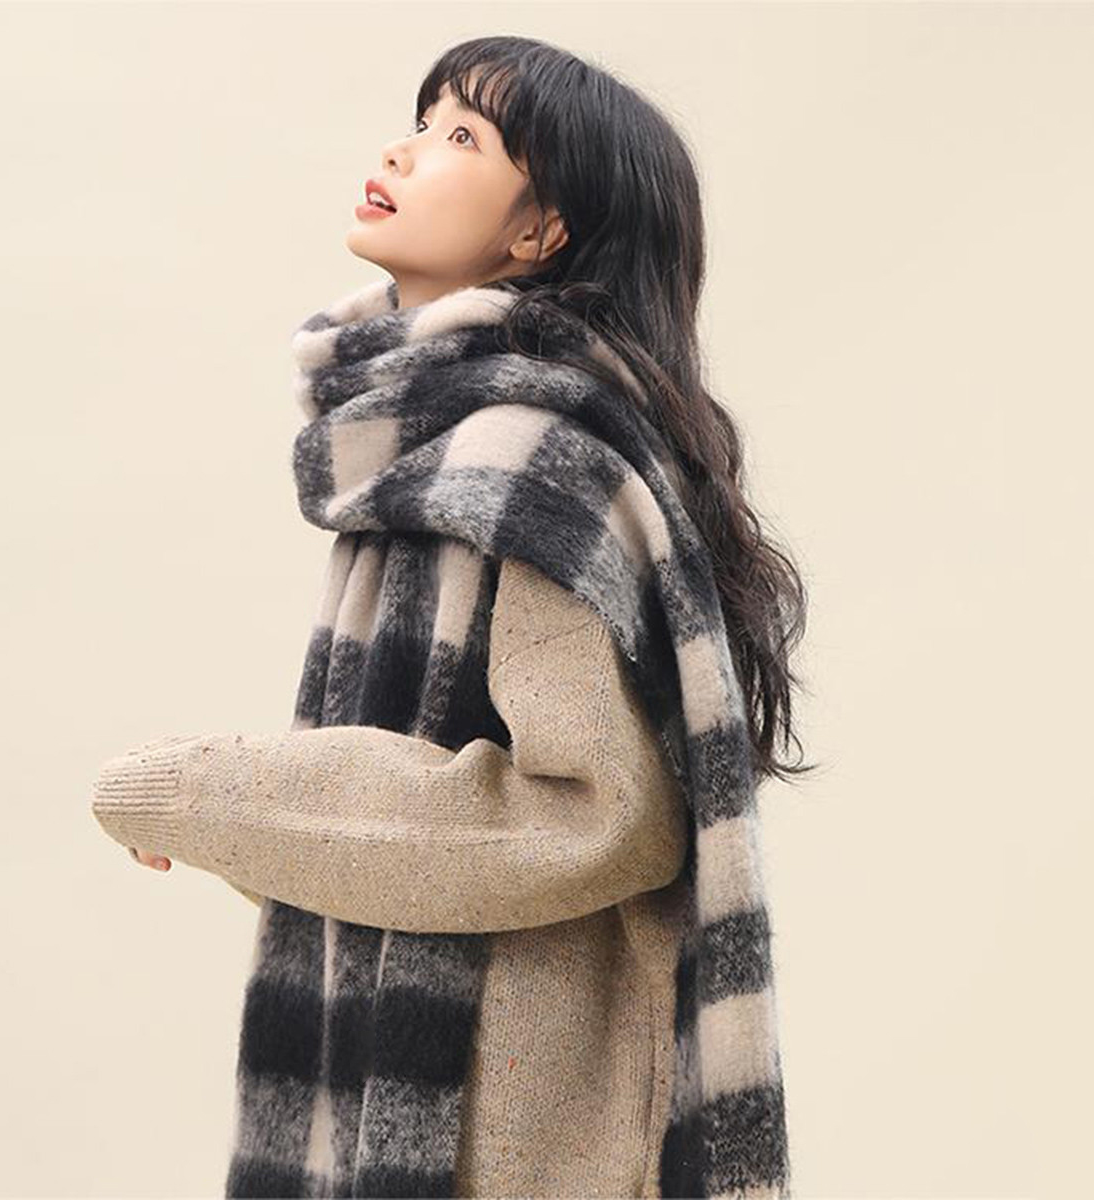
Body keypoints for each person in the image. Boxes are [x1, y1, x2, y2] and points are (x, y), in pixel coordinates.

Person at [96, 34, 815, 1200]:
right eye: (420, 122)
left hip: (502, 1139)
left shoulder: (525, 458)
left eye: (461, 137)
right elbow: (441, 847)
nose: (403, 150)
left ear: (540, 232)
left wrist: (217, 797)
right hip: (418, 1103)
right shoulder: (435, 457)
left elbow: (599, 817)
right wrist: (249, 831)